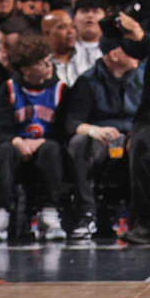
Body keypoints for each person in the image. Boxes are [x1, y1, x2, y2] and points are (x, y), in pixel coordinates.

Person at [0, 33, 68, 242]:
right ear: (26, 69)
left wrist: (40, 142)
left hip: (45, 147)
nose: (49, 66)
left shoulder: (61, 90)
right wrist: (18, 141)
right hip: (16, 147)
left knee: (52, 148)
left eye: (49, 61)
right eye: (42, 63)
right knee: (4, 150)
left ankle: (49, 214)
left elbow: (65, 129)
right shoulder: (8, 89)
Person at [59, 35, 140, 242]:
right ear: (114, 55)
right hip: (102, 138)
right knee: (79, 145)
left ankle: (141, 217)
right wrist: (95, 131)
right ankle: (87, 214)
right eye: (130, 49)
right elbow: (72, 124)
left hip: (136, 135)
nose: (138, 55)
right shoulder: (88, 81)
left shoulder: (142, 77)